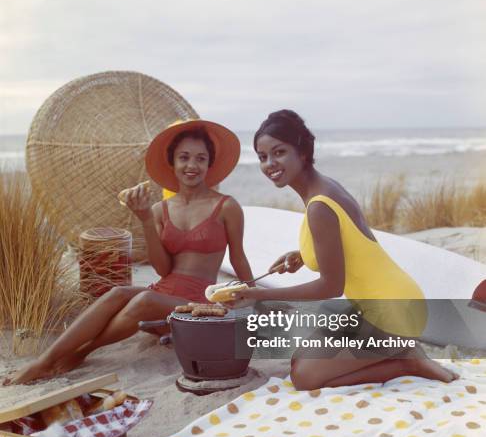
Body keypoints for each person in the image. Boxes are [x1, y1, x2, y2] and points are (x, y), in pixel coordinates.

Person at [8, 119, 253, 384]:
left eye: (201, 158)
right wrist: (146, 219)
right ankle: (45, 360)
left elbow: (238, 256)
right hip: (161, 299)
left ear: (209, 164)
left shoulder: (227, 207)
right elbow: (163, 270)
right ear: (172, 162)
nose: (192, 166)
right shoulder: (160, 210)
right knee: (118, 293)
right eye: (184, 157)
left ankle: (80, 352)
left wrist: (254, 298)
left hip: (198, 305)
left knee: (143, 300)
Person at [231, 109, 459, 390]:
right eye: (262, 156)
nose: (269, 163)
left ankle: (408, 361)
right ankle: (394, 351)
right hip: (374, 306)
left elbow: (331, 286)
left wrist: (259, 295)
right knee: (298, 359)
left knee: (304, 378)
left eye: (279, 152)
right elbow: (347, 241)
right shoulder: (323, 188)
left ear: (302, 152)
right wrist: (302, 256)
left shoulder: (319, 206)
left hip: (394, 314)